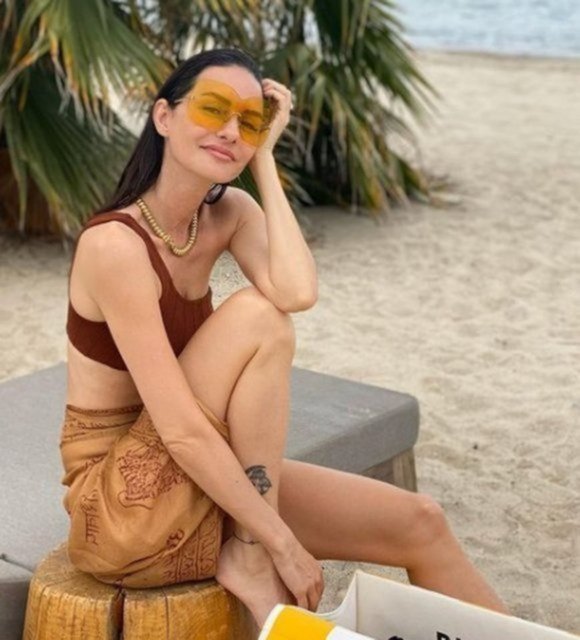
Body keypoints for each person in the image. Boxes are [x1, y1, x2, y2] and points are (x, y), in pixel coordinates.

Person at [60, 47, 507, 630]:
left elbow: (297, 290)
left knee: (421, 522)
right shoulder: (114, 246)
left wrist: (264, 160)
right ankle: (247, 554)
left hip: (202, 473)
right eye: (213, 109)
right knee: (258, 316)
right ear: (163, 117)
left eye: (248, 121)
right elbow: (181, 430)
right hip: (121, 507)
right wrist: (276, 541)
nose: (230, 131)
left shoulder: (228, 212)